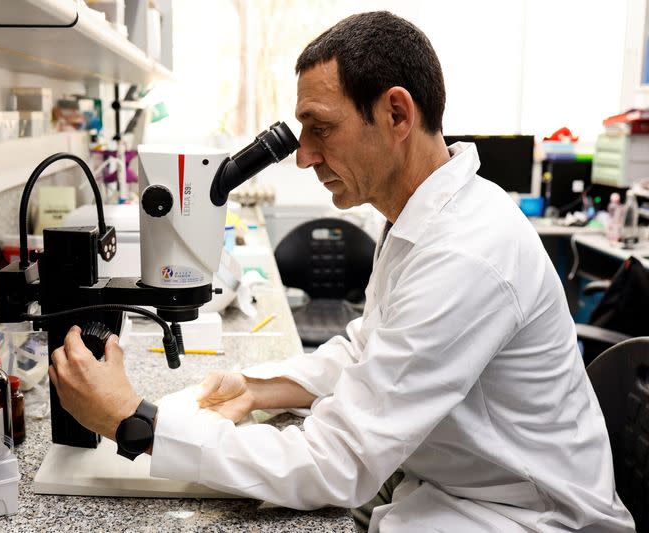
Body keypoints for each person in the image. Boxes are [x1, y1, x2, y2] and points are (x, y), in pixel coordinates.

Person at [48, 11, 635, 533]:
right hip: (455, 492)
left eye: (320, 127)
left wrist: (137, 422)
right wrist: (257, 388)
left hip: (528, 518)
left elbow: (339, 464)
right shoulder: (421, 216)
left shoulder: (466, 252)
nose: (303, 153)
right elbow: (370, 346)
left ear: (396, 113)